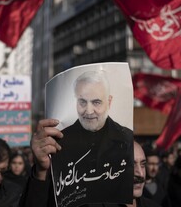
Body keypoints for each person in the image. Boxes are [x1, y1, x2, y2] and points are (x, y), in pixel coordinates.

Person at [19, 119, 161, 207]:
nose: (140, 173)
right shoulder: (88, 203)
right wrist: (41, 171)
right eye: (131, 164)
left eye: (142, 164)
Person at [51, 70, 134, 205]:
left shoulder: (127, 139)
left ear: (109, 102)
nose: (89, 111)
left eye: (96, 102)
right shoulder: (60, 141)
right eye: (82, 102)